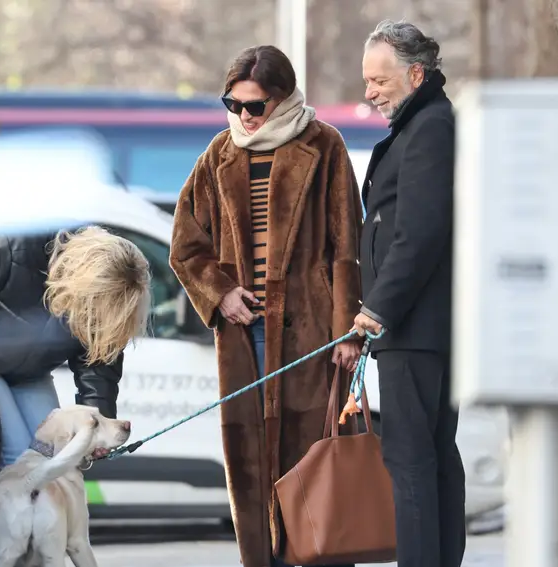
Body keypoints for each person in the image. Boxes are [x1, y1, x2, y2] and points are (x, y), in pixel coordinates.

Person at [170, 45, 363, 567]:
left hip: (311, 333)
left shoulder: (324, 145)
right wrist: (221, 292)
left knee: (309, 460)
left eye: (253, 107)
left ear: (281, 100)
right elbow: (186, 246)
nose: (243, 118)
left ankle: (313, 557)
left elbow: (347, 248)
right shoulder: (218, 155)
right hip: (243, 332)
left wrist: (348, 332)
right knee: (251, 462)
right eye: (232, 105)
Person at [0, 224, 151, 566]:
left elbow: (98, 361)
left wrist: (96, 424)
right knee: (25, 463)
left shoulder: (108, 294)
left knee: (56, 468)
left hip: (28, 371)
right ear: (83, 280)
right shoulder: (13, 243)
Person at [351, 20, 467, 567]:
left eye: (379, 80)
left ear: (415, 74)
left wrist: (378, 307)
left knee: (413, 461)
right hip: (419, 327)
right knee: (432, 457)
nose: (369, 92)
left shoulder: (430, 128)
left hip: (416, 328)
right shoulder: (424, 124)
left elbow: (419, 232)